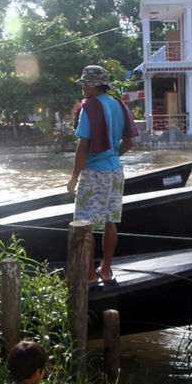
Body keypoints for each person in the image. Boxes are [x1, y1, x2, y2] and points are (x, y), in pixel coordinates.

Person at [67, 65, 138, 287]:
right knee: (110, 221)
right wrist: (112, 156)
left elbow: (83, 146)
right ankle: (106, 270)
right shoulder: (118, 104)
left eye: (84, 86)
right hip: (116, 171)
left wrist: (74, 177)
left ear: (91, 86)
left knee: (85, 225)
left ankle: (90, 274)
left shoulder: (89, 108)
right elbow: (129, 142)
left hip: (94, 173)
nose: (82, 91)